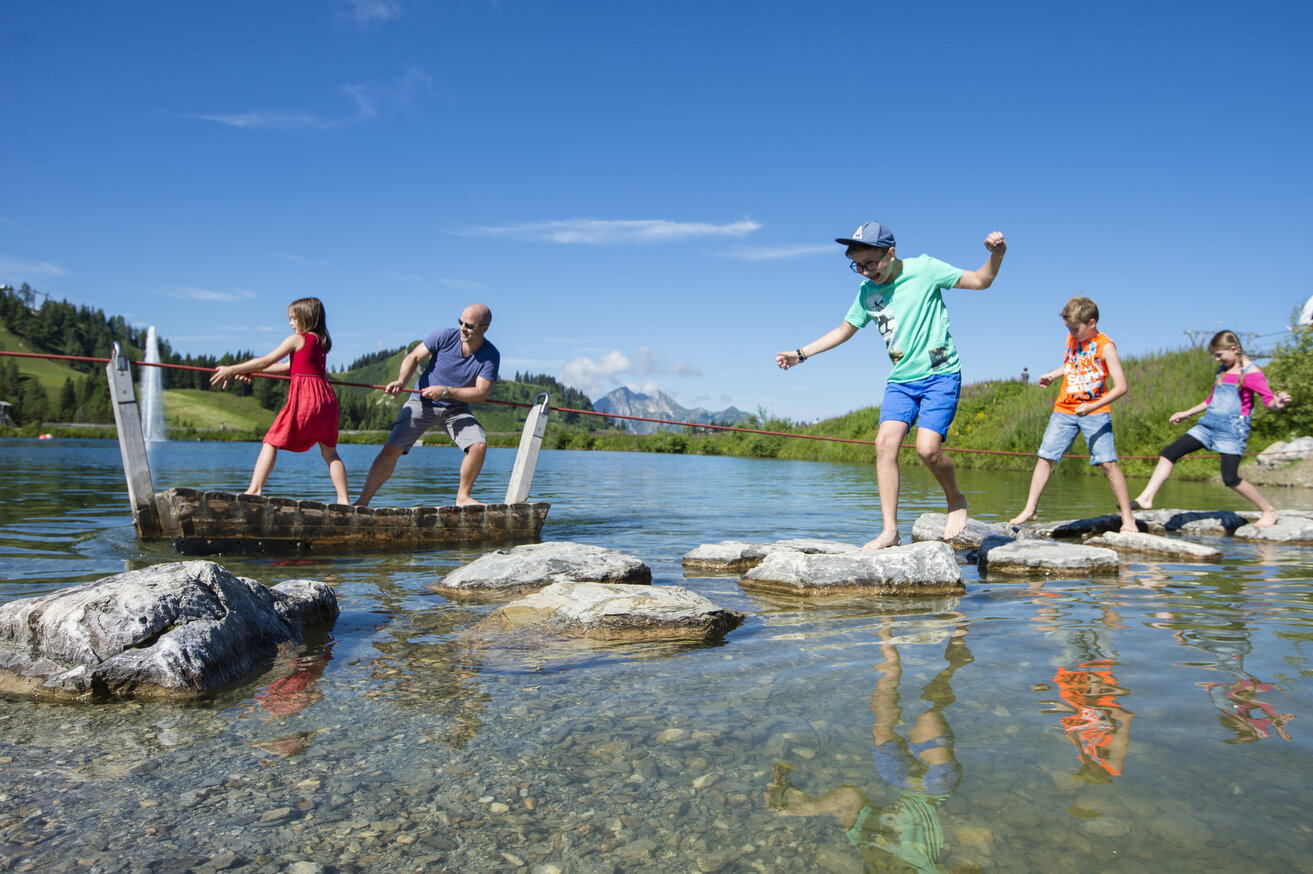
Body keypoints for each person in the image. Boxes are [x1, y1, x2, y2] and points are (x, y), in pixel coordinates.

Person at [776, 221, 1007, 549]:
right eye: (858, 266)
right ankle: (890, 531)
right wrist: (801, 354)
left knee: (927, 449)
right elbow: (843, 331)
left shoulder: (925, 269)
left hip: (940, 374)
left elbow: (981, 281)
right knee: (884, 445)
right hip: (902, 380)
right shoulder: (866, 293)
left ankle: (955, 499)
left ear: (891, 253)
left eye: (871, 263)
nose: (865, 272)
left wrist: (997, 255)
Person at [1130, 330, 1291, 527]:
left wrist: (1278, 403)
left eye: (1219, 354)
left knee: (1230, 478)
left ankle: (1268, 510)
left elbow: (1269, 402)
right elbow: (1211, 400)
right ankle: (1146, 498)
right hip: (1208, 425)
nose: (1217, 359)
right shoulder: (1222, 370)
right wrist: (1187, 413)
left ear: (1234, 349)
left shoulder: (1252, 373)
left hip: (1232, 431)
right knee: (1169, 452)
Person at [1007, 297, 1137, 532]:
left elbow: (1121, 387)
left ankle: (1128, 519)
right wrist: (1052, 375)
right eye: (1069, 328)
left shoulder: (1106, 346)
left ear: (1092, 323)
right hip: (1064, 410)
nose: (1072, 333)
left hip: (1096, 413)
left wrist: (1092, 407)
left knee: (1108, 463)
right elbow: (1072, 364)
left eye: (1076, 328)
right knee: (1045, 456)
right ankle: (1030, 509)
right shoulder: (1072, 339)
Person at [356, 304, 499, 507]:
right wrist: (401, 381)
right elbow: (413, 357)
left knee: (479, 445)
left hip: (456, 409)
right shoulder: (443, 336)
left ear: (484, 328)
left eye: (469, 326)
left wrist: (446, 391)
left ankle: (462, 498)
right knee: (391, 449)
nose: (462, 328)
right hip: (422, 403)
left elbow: (481, 393)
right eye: (460, 322)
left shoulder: (491, 354)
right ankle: (362, 503)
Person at [211, 297, 348, 504]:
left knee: (271, 440)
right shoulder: (320, 342)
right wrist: (253, 372)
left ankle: (254, 491)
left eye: (293, 318)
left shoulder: (297, 339)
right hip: (326, 400)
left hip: (306, 399)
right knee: (330, 452)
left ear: (305, 317)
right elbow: (286, 367)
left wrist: (231, 369)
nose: (291, 323)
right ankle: (343, 499)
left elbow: (266, 360)